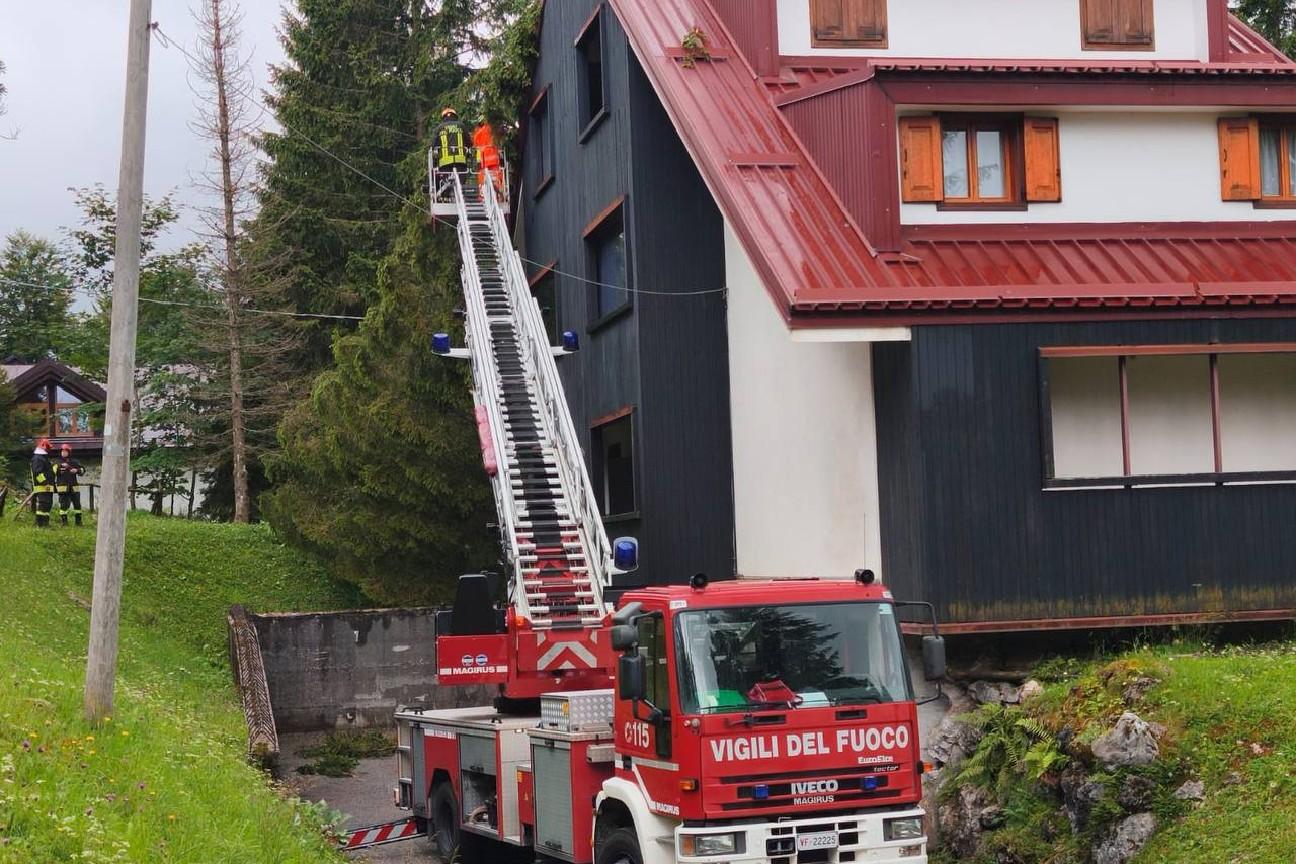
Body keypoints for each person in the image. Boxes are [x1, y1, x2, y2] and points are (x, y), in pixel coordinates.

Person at [54, 443, 85, 526]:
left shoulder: (74, 462)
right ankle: (64, 522)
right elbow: (53, 471)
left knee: (77, 505)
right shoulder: (57, 462)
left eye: (65, 451)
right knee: (63, 506)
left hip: (74, 488)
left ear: (69, 452)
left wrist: (77, 470)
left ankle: (78, 522)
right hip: (63, 488)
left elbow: (82, 470)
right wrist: (60, 466)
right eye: (62, 451)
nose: (63, 453)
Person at [432, 107, 470, 174]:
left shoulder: (439, 128)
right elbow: (469, 142)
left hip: (444, 164)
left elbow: (433, 145)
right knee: (461, 183)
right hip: (460, 162)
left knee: (447, 183)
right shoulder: (461, 126)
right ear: (455, 116)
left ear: (443, 117)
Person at [473, 120, 504, 198]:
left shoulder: (478, 132)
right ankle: (499, 196)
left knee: (483, 178)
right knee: (496, 177)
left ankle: (483, 196)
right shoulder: (494, 130)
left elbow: (475, 144)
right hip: (494, 159)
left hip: (484, 160)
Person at [29, 438, 55, 528]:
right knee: (43, 505)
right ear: (44, 447)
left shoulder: (43, 458)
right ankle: (40, 524)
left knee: (47, 505)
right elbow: (37, 473)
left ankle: (45, 524)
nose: (49, 450)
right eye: (48, 447)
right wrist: (45, 482)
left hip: (47, 486)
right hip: (42, 486)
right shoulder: (37, 458)